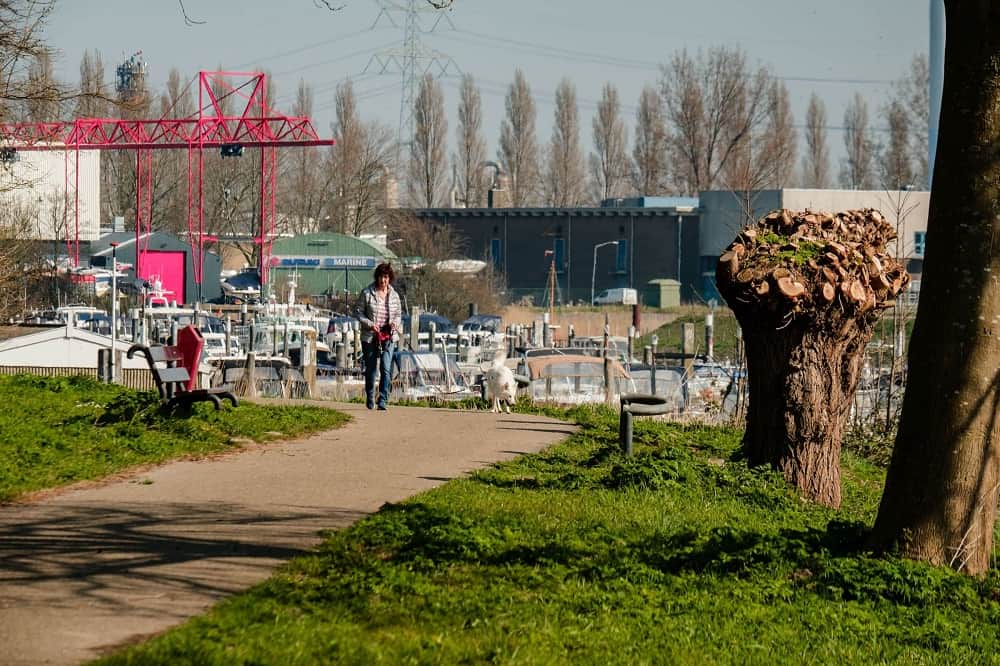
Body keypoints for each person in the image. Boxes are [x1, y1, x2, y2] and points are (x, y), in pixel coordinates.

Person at [355, 262, 403, 411]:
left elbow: (398, 315)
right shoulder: (367, 293)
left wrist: (394, 324)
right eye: (381, 277)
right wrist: (370, 324)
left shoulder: (394, 295)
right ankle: (370, 397)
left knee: (386, 368)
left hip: (388, 336)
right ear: (377, 277)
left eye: (386, 277)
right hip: (370, 336)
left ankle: (383, 399)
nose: (383, 280)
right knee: (371, 369)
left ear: (390, 279)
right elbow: (358, 312)